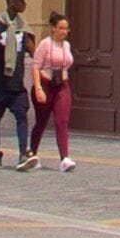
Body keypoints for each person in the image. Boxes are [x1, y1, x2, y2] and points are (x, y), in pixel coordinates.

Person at [0, 0, 36, 169]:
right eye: (20, 0)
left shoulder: (23, 28)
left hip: (16, 84)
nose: (23, 4)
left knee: (22, 116)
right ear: (11, 1)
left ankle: (23, 153)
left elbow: (34, 53)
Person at [29, 12, 75, 172]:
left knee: (62, 120)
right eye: (61, 28)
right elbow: (35, 66)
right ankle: (32, 153)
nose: (64, 31)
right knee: (41, 121)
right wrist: (38, 88)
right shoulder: (45, 44)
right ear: (54, 29)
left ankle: (64, 158)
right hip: (46, 83)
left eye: (66, 29)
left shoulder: (66, 46)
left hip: (62, 84)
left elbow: (67, 63)